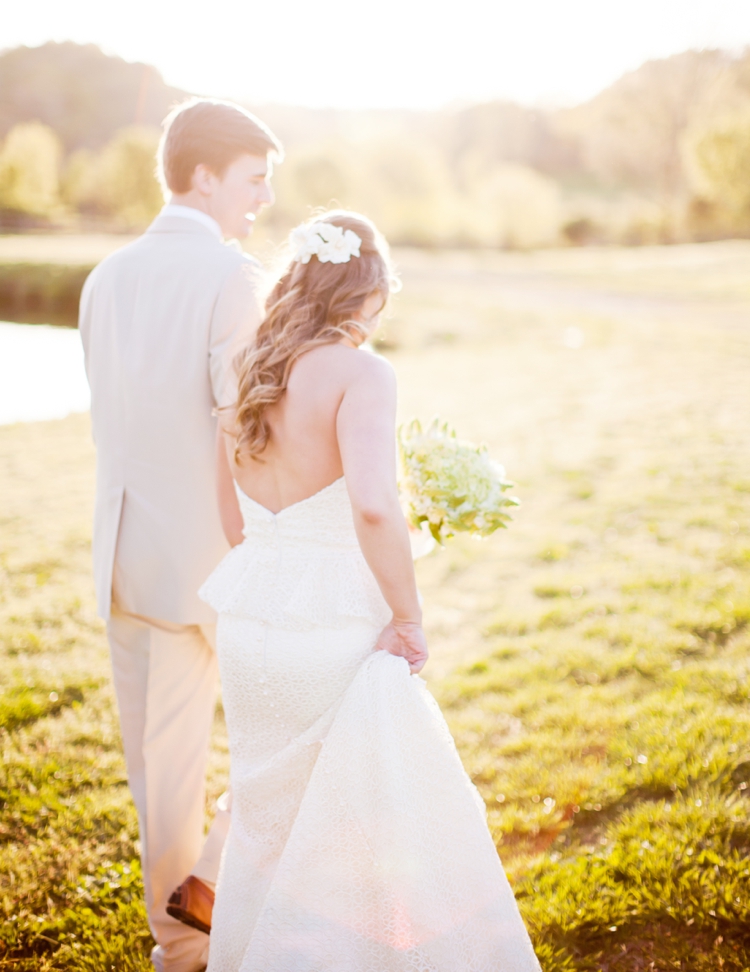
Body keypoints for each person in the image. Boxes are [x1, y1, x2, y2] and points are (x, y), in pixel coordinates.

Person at [200, 211, 541, 970]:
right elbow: (374, 504)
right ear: (369, 293)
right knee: (359, 832)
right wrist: (409, 615)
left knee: (266, 822)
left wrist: (283, 563)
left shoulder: (248, 366)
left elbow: (230, 515)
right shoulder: (362, 374)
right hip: (332, 627)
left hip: (251, 621)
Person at [79, 98, 282, 972]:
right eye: (253, 179)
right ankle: (214, 893)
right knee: (294, 732)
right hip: (218, 560)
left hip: (124, 557)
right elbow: (245, 426)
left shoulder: (104, 276)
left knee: (159, 771)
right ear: (203, 174)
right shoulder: (230, 277)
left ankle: (177, 946)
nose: (263, 199)